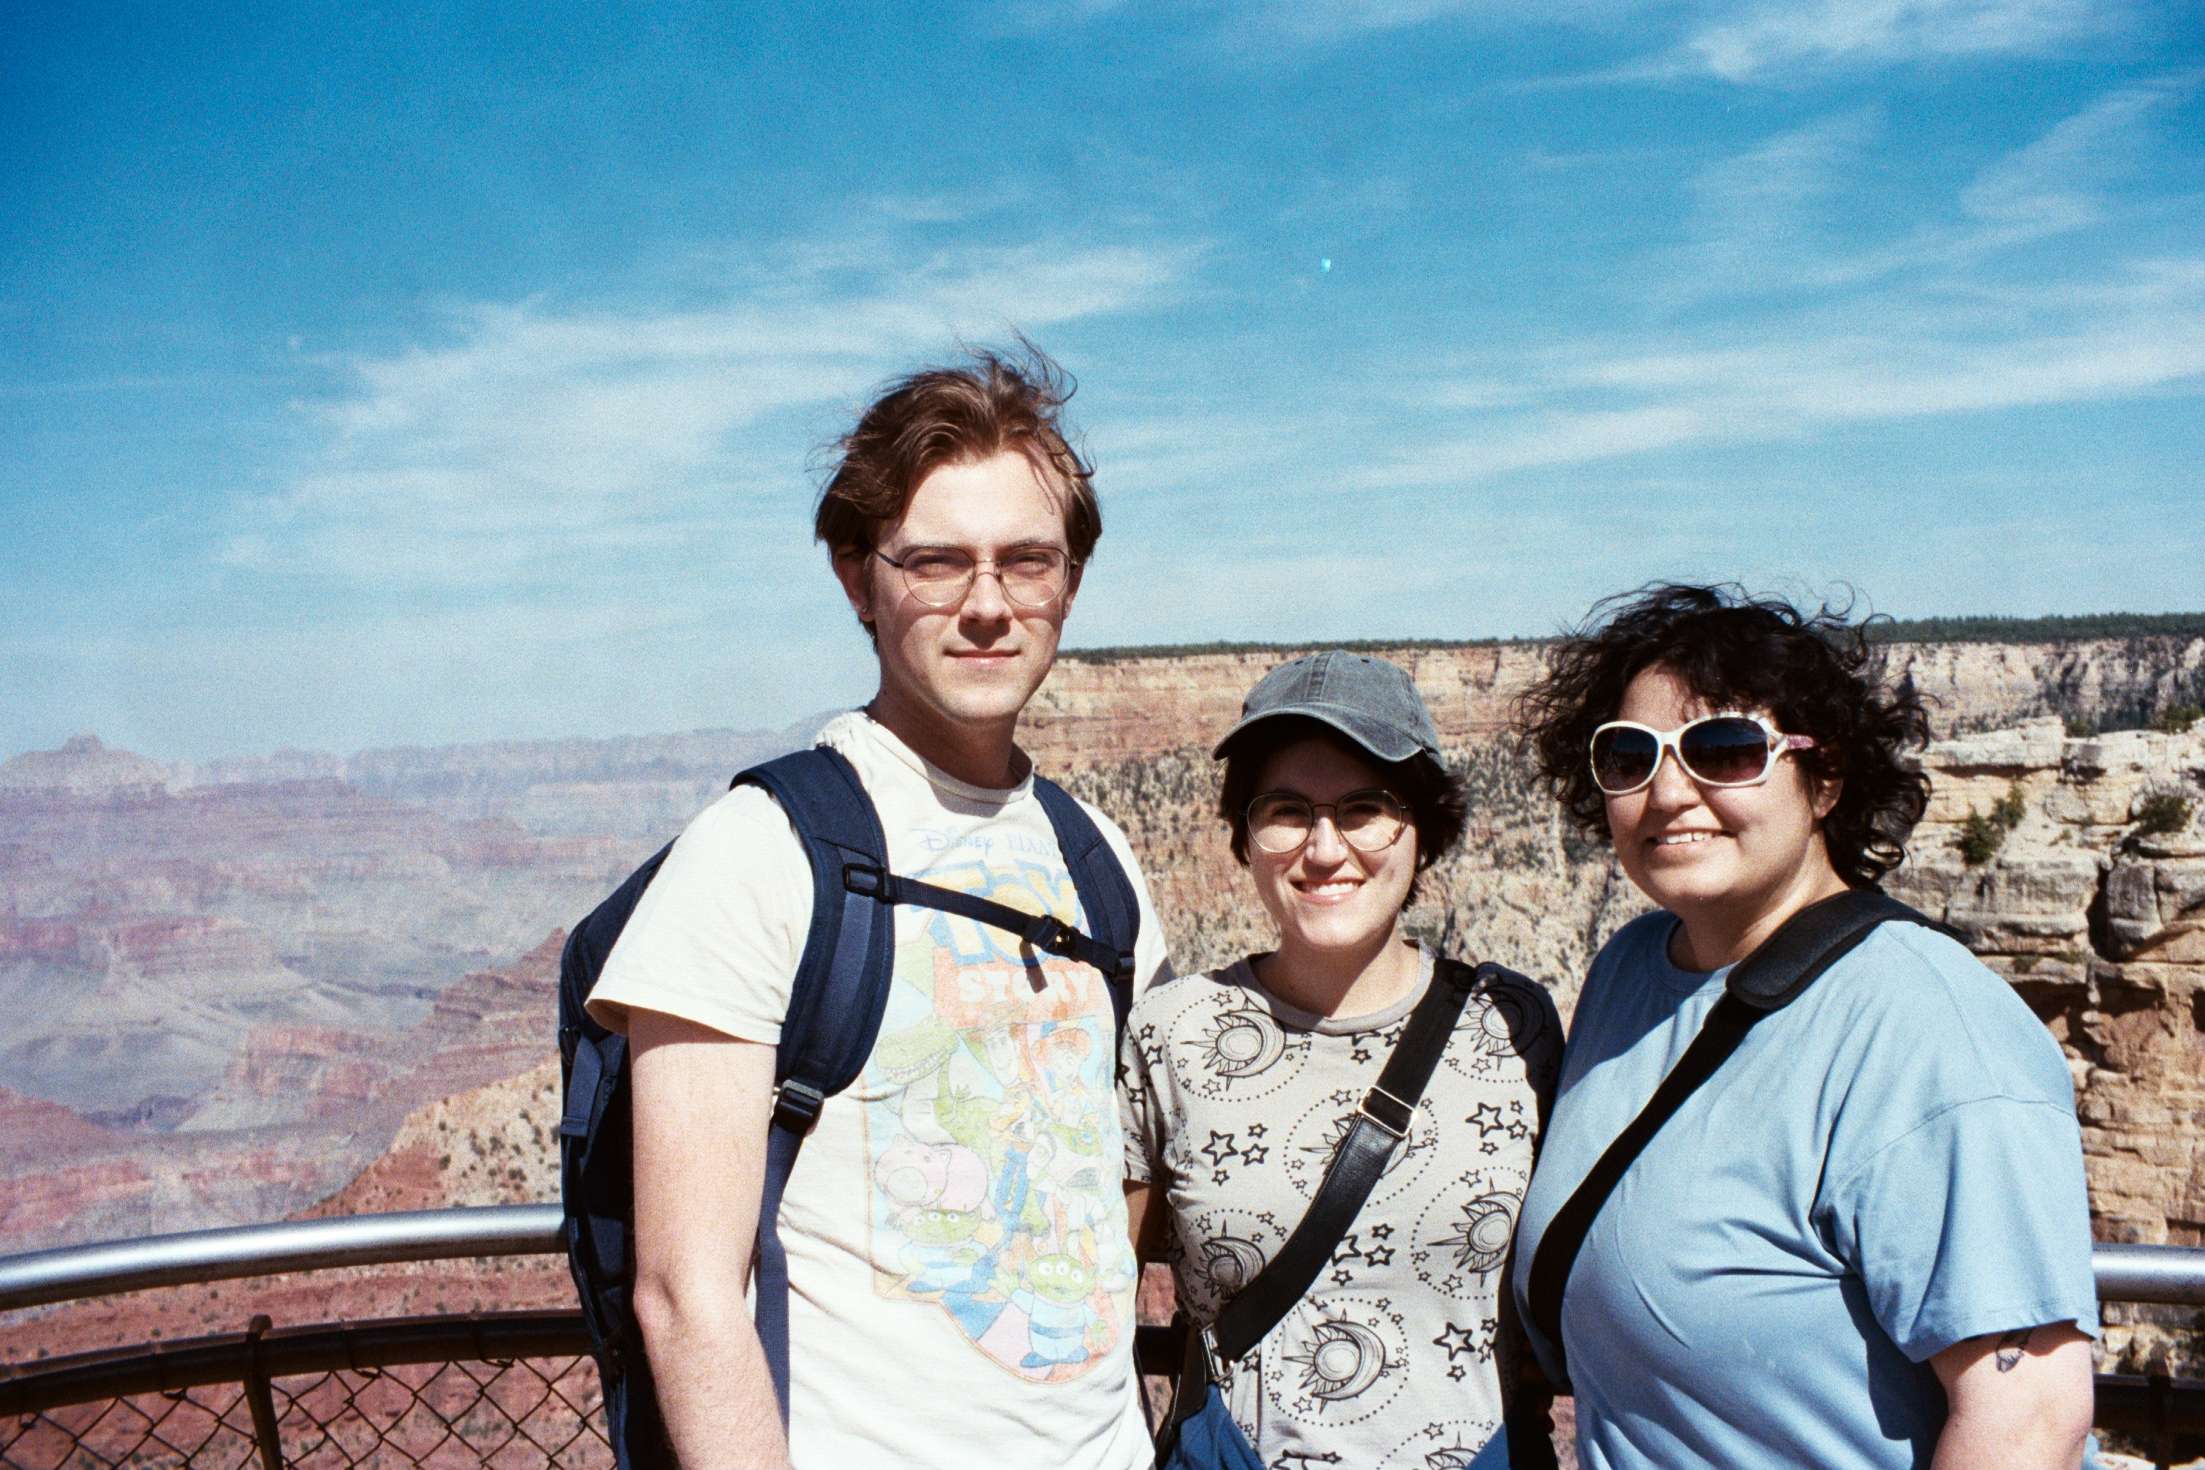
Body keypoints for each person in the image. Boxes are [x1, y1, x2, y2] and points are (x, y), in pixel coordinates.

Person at [584, 346, 1172, 1470]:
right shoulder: (759, 853)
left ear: (1070, 582)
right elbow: (685, 1296)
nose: (987, 606)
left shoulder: (1099, 858)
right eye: (936, 563)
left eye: (1026, 561)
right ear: (858, 580)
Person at [1510, 583, 2098, 1469]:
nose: (1667, 792)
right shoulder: (1629, 973)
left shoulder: (1925, 1028)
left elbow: (2028, 1417)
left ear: (1824, 781)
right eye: (1629, 755)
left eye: (1723, 750)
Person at [1121, 651, 1562, 1467]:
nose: (1324, 849)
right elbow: (1095, 1291)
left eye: (1364, 810)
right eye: (1286, 811)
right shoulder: (1172, 1031)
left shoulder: (1511, 1022)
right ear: (1244, 835)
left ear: (1423, 831)